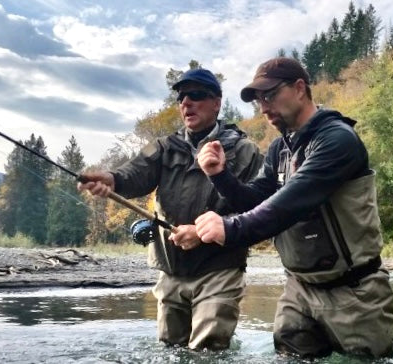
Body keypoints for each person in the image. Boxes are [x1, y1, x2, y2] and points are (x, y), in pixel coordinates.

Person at [194, 57, 393, 359]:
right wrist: (219, 176)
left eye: (270, 95)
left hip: (356, 293)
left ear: (300, 88)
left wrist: (230, 228)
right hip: (298, 290)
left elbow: (290, 205)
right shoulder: (279, 149)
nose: (263, 107)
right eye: (259, 100)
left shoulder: (338, 139)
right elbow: (256, 200)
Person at [77, 68, 263, 350]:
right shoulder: (164, 147)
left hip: (220, 270)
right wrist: (111, 180)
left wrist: (203, 233)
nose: (186, 102)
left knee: (207, 353)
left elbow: (257, 211)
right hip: (171, 270)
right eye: (181, 97)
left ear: (217, 102)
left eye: (196, 95)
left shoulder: (245, 150)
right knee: (170, 350)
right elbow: (134, 175)